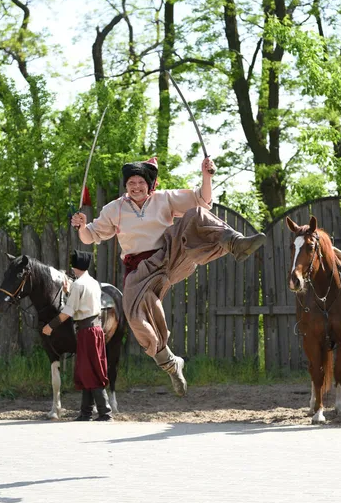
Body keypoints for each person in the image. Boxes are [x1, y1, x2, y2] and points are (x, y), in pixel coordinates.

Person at [71, 156, 266, 397]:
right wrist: (81, 226)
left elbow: (203, 201)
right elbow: (90, 237)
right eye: (131, 182)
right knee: (134, 316)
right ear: (125, 185)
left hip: (169, 256)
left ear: (150, 184)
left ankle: (235, 243)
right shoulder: (114, 209)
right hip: (139, 271)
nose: (136, 187)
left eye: (141, 182)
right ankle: (171, 364)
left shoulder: (164, 198)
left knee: (195, 214)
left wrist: (207, 176)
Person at [42, 250, 112, 422]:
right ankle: (86, 413)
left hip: (87, 332)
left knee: (91, 371)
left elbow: (68, 311)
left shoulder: (78, 285)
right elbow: (83, 303)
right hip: (95, 330)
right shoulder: (94, 282)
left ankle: (105, 412)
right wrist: (68, 291)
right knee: (87, 370)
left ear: (74, 267)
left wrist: (50, 326)